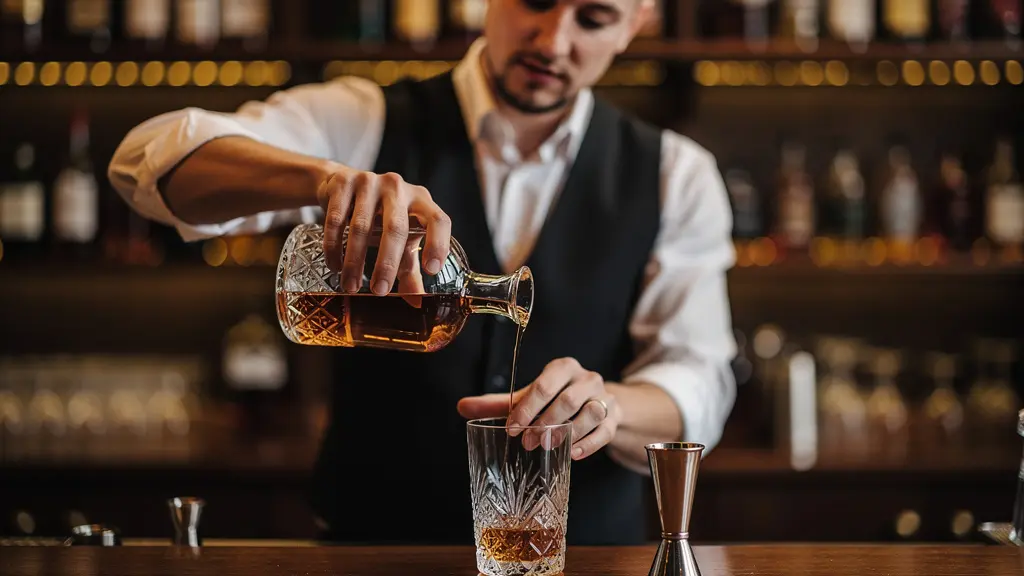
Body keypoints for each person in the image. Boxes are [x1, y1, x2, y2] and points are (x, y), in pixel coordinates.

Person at [108, 0, 737, 546]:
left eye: (593, 19)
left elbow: (699, 383)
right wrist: (323, 179)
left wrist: (608, 407)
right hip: (372, 555)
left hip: (583, 560)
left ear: (636, 22)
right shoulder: (365, 119)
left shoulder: (675, 175)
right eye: (535, 2)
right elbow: (145, 164)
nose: (552, 42)